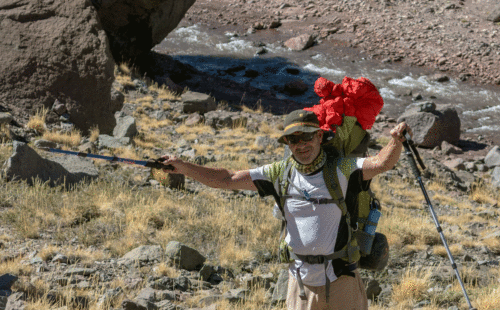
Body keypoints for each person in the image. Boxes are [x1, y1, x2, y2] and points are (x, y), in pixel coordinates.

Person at [160, 109, 412, 310]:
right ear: (287, 143)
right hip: (300, 282)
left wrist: (395, 141)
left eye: (307, 137)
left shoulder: (342, 169)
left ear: (320, 137)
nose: (301, 144)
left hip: (341, 279)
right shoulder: (279, 174)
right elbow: (229, 178)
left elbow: (380, 163)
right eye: (294, 139)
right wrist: (183, 167)